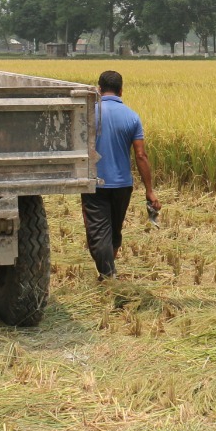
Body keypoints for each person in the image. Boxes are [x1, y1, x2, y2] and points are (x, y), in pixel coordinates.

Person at [81, 69, 159, 279]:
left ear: (99, 89)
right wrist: (149, 190)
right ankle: (108, 274)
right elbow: (141, 155)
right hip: (123, 185)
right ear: (121, 91)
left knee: (98, 235)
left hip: (95, 184)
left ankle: (108, 275)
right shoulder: (132, 117)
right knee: (114, 231)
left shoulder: (88, 114)